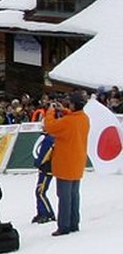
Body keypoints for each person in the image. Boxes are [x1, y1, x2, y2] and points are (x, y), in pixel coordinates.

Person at [42, 92, 91, 236]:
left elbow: (50, 127)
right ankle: (74, 223)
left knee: (64, 197)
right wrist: (63, 110)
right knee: (74, 195)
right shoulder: (84, 118)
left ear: (74, 105)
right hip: (77, 162)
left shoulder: (68, 122)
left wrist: (50, 112)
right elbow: (72, 116)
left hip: (65, 163)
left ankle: (64, 226)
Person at [30, 131, 57, 224]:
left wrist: (38, 163)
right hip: (45, 169)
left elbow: (43, 155)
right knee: (39, 191)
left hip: (46, 169)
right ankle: (41, 212)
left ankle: (48, 214)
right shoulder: (48, 138)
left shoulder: (49, 139)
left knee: (40, 192)